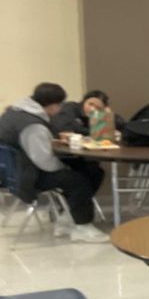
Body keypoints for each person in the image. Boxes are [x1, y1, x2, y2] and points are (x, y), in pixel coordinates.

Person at [0, 82, 106, 243]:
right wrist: (64, 166)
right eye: (59, 105)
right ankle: (82, 226)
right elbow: (45, 162)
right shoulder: (33, 125)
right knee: (79, 179)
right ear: (52, 105)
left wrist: (54, 139)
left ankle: (67, 218)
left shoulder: (14, 113)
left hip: (14, 172)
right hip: (30, 176)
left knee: (91, 170)